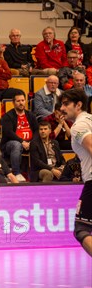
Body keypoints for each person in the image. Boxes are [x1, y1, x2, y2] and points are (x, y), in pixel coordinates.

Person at [59, 88, 92, 256]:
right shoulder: (90, 120)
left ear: (78, 105)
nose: (62, 108)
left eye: (66, 104)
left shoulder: (78, 126)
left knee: (82, 229)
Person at [0, 91, 38, 182]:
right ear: (13, 103)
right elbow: (9, 132)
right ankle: (16, 173)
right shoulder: (7, 116)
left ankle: (37, 173)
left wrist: (31, 142)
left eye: (23, 100)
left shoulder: (31, 115)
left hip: (29, 142)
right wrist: (22, 141)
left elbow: (36, 130)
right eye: (18, 101)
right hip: (10, 144)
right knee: (16, 145)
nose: (21, 103)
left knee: (39, 143)